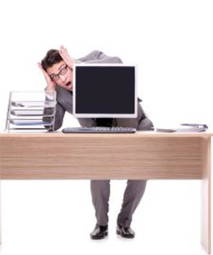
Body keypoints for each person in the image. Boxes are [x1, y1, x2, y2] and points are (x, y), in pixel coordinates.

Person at [39, 46, 154, 240]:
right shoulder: (59, 91)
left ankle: (124, 222)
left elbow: (117, 64)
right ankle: (101, 224)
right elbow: (51, 125)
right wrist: (50, 91)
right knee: (99, 174)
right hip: (99, 132)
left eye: (63, 70)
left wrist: (78, 67)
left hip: (134, 124)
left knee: (140, 172)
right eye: (54, 76)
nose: (62, 79)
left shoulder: (92, 59)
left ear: (68, 63)